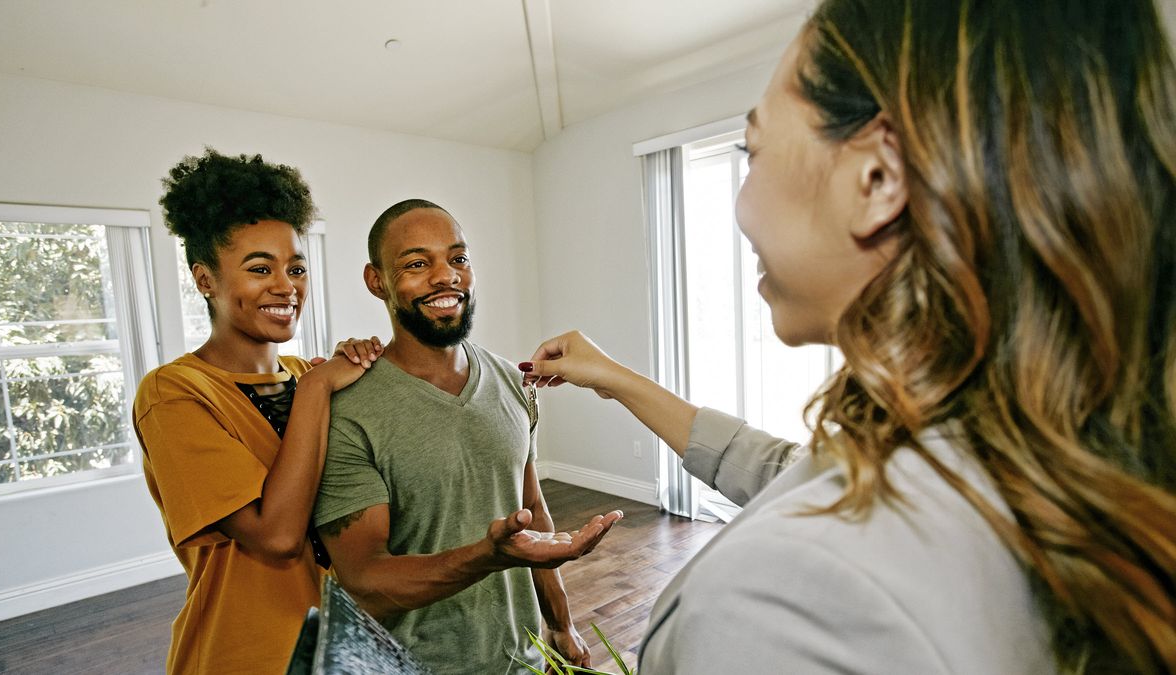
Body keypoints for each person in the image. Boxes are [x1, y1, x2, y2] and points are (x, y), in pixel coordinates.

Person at [520, 1, 1176, 673]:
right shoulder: (1032, 460)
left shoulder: (786, 607)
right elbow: (789, 471)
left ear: (879, 178)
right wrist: (616, 376)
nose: (742, 203)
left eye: (754, 150)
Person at [311, 199, 622, 675]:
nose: (446, 276)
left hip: (524, 658)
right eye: (417, 264)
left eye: (458, 259)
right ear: (377, 281)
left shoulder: (512, 381)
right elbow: (365, 583)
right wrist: (486, 557)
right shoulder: (348, 409)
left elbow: (532, 510)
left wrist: (561, 622)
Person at [133, 149, 383, 674]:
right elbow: (277, 536)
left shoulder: (302, 371)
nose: (285, 286)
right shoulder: (174, 393)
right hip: (248, 652)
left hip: (343, 645)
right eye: (259, 268)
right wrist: (319, 389)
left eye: (295, 267)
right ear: (205, 280)